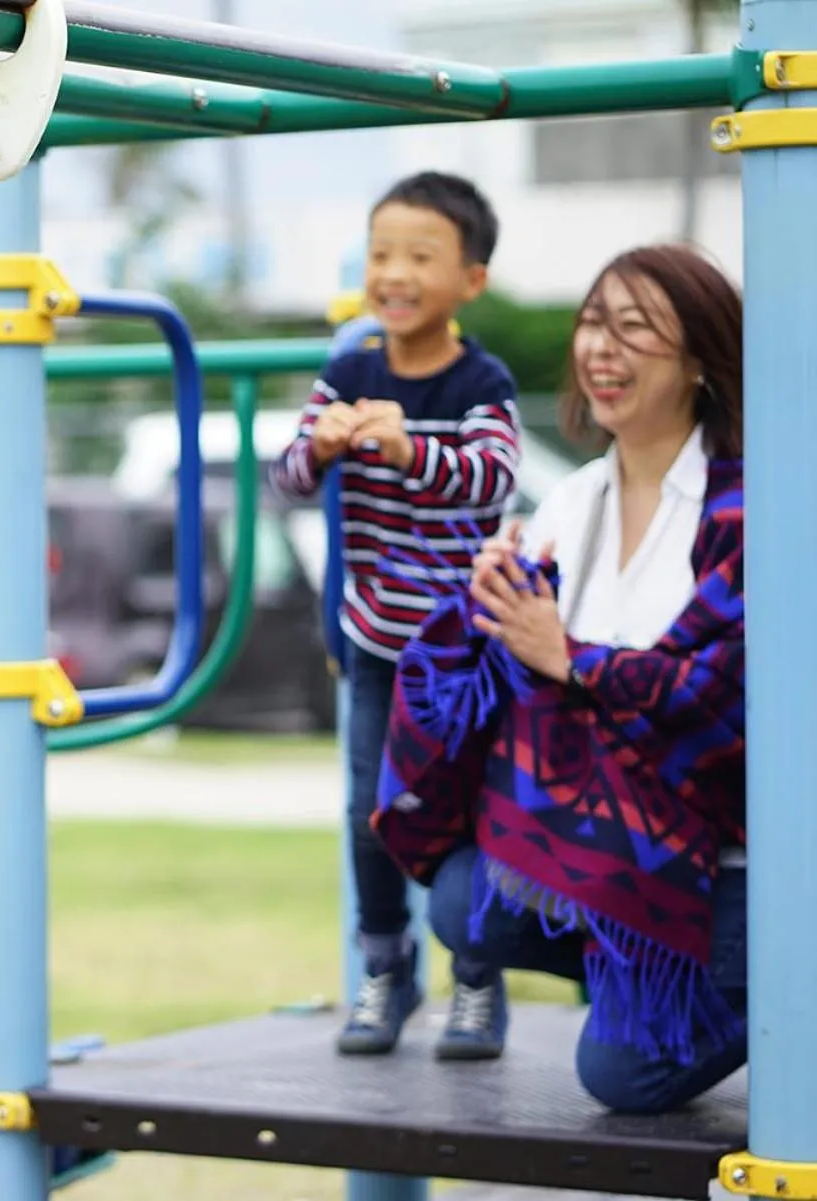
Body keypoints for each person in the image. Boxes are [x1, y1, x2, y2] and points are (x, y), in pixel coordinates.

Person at [373, 243, 745, 1113]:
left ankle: (765, 979)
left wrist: (568, 655)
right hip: (625, 837)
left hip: (736, 858)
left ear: (698, 357)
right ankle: (637, 954)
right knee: (465, 900)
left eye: (634, 330)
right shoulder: (575, 500)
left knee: (621, 1077)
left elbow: (716, 696)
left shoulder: (748, 501)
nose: (600, 350)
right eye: (591, 323)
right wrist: (495, 607)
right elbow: (526, 677)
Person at [271, 171, 522, 1059]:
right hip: (376, 639)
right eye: (383, 255)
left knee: (474, 811)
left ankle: (478, 981)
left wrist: (407, 445)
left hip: (467, 650)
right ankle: (386, 967)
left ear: (470, 279)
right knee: (370, 809)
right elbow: (288, 476)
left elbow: (493, 477)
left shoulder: (481, 381)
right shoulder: (348, 369)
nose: (397, 274)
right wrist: (324, 444)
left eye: (422, 256)